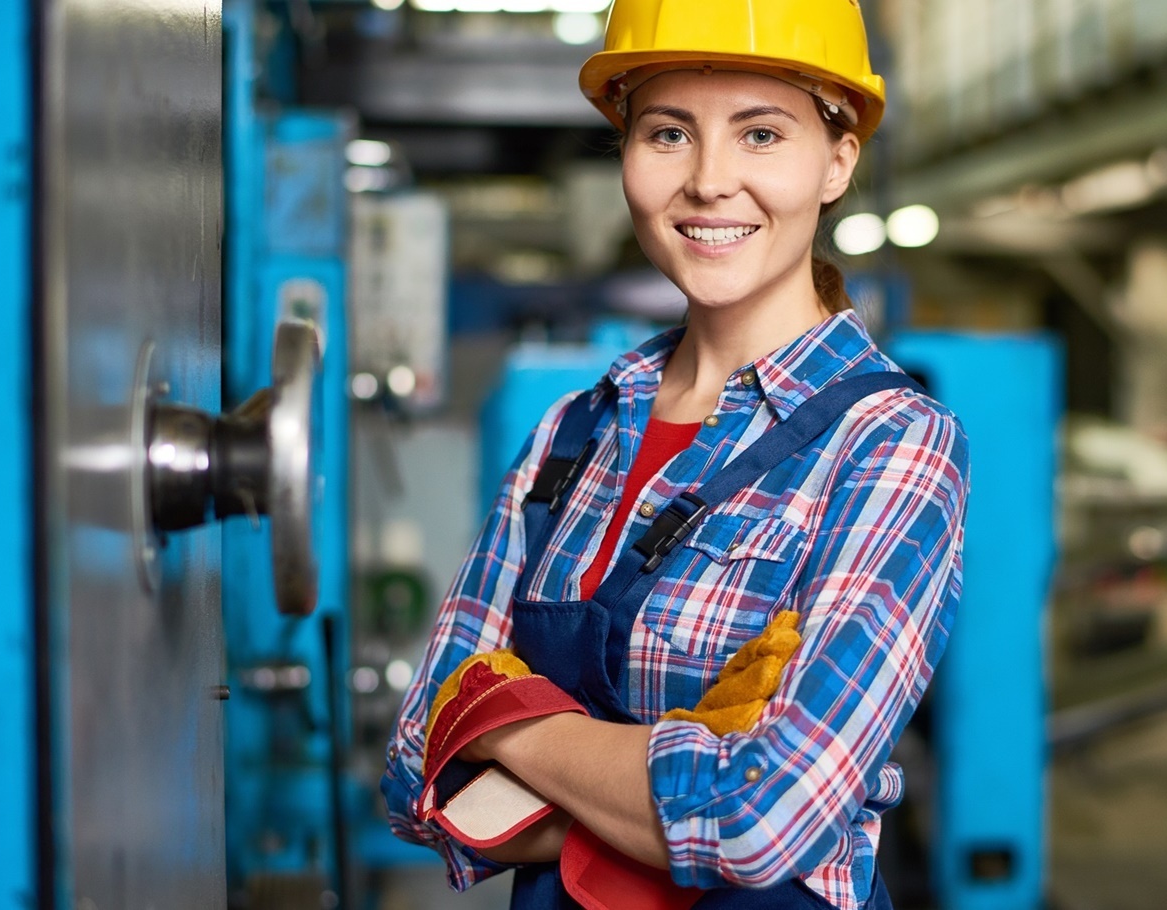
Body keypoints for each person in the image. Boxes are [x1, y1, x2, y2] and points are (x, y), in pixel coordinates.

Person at [381, 2, 969, 907]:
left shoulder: (891, 444)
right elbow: (418, 767)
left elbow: (763, 820)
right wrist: (660, 794)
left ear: (837, 160)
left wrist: (505, 721)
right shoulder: (571, 434)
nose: (707, 181)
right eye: (667, 133)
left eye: (761, 134)